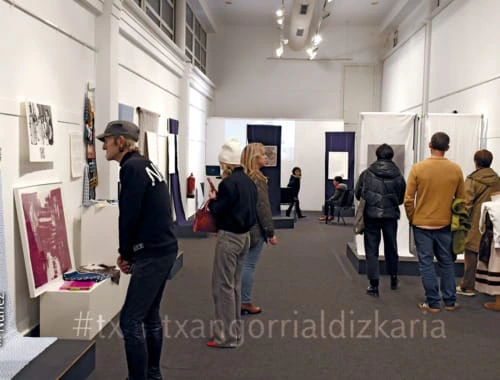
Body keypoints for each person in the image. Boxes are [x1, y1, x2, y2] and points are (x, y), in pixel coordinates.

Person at [98, 120, 178, 380]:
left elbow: (129, 215)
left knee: (129, 321)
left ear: (121, 142)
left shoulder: (131, 169)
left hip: (153, 252)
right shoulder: (145, 164)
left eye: (106, 141)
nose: (103, 148)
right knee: (150, 315)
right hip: (163, 248)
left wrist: (126, 253)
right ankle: (152, 374)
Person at [404, 132, 465, 312]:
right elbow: (461, 199)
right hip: (445, 224)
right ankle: (450, 301)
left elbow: (408, 199)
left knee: (426, 263)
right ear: (447, 148)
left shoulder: (418, 168)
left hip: (422, 224)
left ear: (430, 145)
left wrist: (413, 217)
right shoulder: (455, 169)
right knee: (446, 262)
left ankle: (432, 302)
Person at [208, 138, 257, 348]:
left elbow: (219, 210)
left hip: (229, 238)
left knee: (223, 287)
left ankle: (226, 337)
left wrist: (213, 199)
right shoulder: (248, 181)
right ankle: (233, 332)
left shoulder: (228, 183)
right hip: (245, 237)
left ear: (226, 164)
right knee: (234, 286)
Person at [355, 144, 406, 297]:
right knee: (392, 247)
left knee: (371, 249)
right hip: (390, 216)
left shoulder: (366, 174)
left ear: (377, 155)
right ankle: (393, 277)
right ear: (391, 156)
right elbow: (401, 198)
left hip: (371, 215)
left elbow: (358, 193)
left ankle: (374, 284)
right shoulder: (398, 175)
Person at [240, 143, 278, 315]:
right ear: (255, 158)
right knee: (249, 266)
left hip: (240, 229)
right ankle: (245, 301)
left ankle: (238, 299)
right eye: (263, 155)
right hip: (255, 230)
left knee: (240, 266)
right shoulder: (258, 180)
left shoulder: (241, 177)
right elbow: (263, 207)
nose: (266, 158)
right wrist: (270, 232)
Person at [457, 150, 500, 296]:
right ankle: (489, 286)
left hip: (476, 222)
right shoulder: (497, 179)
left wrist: (460, 221)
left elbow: (466, 203)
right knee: (491, 254)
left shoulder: (473, 180)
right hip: (493, 222)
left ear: (476, 162)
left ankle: (467, 286)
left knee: (471, 253)